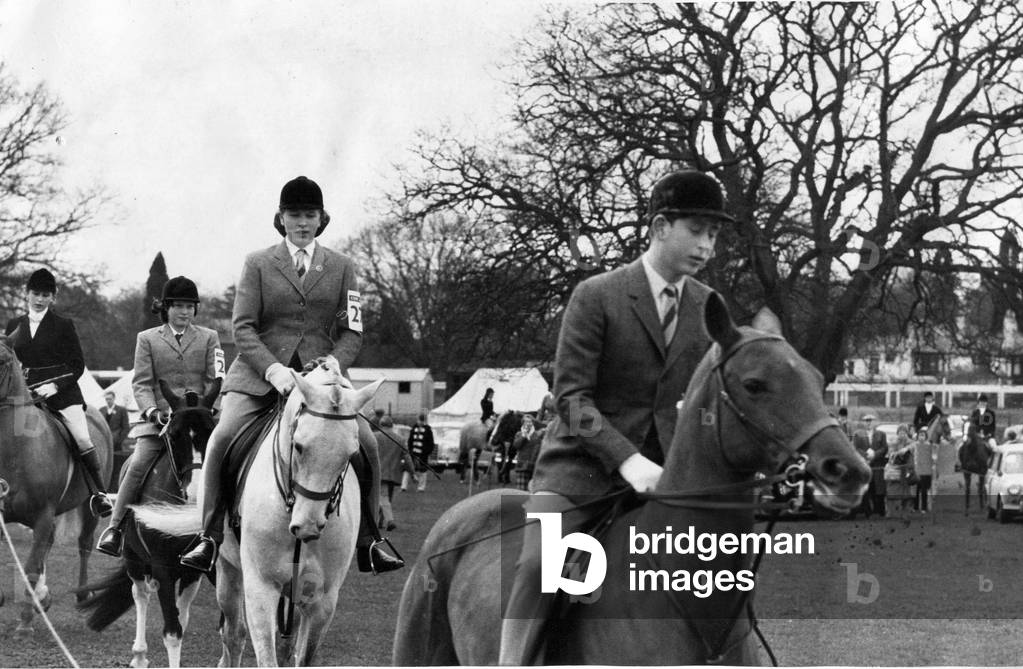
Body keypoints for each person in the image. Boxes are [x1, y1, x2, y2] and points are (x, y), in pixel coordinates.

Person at [499, 170, 731, 665]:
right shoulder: (597, 294)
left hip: (670, 479)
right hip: (580, 474)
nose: (707, 245)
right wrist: (629, 462)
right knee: (542, 564)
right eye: (697, 230)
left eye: (713, 234)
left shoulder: (710, 306)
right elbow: (572, 399)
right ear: (660, 226)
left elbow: (709, 402)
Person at [178, 176, 403, 575]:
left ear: (321, 219)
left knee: (366, 442)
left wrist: (334, 361)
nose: (302, 222)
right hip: (258, 375)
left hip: (322, 378)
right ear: (281, 218)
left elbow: (353, 331)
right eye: (294, 214)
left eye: (309, 215)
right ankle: (209, 536)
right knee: (223, 437)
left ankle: (371, 539)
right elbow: (242, 327)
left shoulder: (342, 266)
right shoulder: (259, 263)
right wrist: (273, 368)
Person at [96, 276, 222, 557]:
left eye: (190, 307)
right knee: (139, 463)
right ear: (166, 308)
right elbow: (141, 383)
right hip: (161, 420)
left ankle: (219, 533)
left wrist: (210, 409)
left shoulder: (209, 337)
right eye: (178, 306)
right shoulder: (147, 339)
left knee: (227, 464)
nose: (185, 312)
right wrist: (153, 411)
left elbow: (217, 380)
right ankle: (115, 528)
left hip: (199, 422)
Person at [4, 269, 112, 517]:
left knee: (82, 437)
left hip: (62, 394)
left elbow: (77, 364)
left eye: (45, 295)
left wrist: (53, 386)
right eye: (35, 294)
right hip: (25, 396)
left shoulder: (63, 325)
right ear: (26, 293)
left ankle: (99, 493)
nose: (39, 300)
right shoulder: (14, 325)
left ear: (53, 297)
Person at [377, 416, 415, 531]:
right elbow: (407, 457)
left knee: (383, 498)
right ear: (392, 425)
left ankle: (389, 521)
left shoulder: (374, 437)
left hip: (379, 472)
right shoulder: (400, 439)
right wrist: (412, 472)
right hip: (393, 473)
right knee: (387, 498)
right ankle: (380, 522)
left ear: (380, 425)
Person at [852, 414, 888, 517]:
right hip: (864, 465)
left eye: (871, 421)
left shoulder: (881, 434)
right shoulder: (858, 434)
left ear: (875, 422)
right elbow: (855, 448)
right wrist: (866, 455)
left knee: (878, 489)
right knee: (865, 489)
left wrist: (875, 454)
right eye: (867, 421)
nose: (869, 423)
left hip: (877, 465)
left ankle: (880, 511)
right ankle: (867, 511)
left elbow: (885, 448)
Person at [511, 414, 544, 491]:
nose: (528, 424)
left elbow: (538, 448)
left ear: (533, 423)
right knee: (521, 491)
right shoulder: (519, 434)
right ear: (523, 423)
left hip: (534, 466)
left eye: (530, 422)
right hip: (522, 466)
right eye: (526, 422)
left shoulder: (537, 435)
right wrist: (523, 436)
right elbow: (516, 446)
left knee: (533, 491)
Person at [405, 413, 435, 492]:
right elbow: (410, 440)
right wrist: (410, 450)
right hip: (413, 453)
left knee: (423, 471)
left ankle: (421, 487)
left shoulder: (428, 430)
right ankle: (404, 486)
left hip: (423, 454)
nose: (419, 422)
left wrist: (427, 452)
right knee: (408, 469)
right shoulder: (414, 428)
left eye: (421, 420)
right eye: (419, 420)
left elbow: (430, 443)